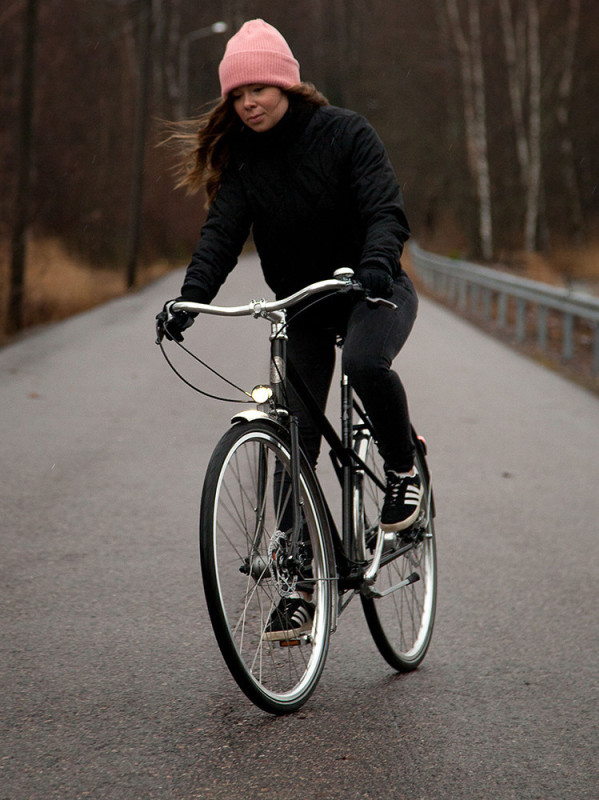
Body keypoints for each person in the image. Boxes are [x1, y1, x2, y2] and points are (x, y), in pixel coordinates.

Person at [157, 19, 422, 639]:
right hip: (303, 303)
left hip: (371, 289)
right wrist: (190, 300)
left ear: (286, 85)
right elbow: (221, 236)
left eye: (259, 89)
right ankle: (301, 585)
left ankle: (403, 471)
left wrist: (378, 268)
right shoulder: (244, 161)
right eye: (237, 94)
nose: (248, 103)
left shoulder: (346, 133)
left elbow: (385, 209)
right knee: (292, 436)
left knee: (364, 365)